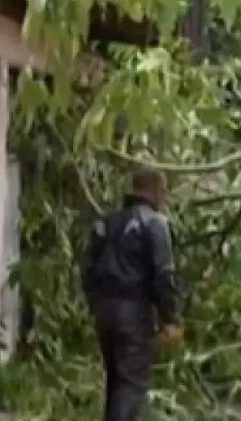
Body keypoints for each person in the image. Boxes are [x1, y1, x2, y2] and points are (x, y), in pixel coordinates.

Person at [81, 169, 182, 421]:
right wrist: (169, 319)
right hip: (133, 313)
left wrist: (95, 304)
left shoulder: (107, 221)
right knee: (130, 384)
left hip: (105, 311)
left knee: (116, 382)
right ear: (156, 191)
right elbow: (164, 274)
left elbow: (88, 267)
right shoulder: (154, 223)